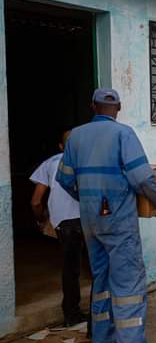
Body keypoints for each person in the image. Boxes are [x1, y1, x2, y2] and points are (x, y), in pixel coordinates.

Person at [56, 88, 156, 343]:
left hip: (90, 220)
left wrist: (86, 200)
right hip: (117, 218)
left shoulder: (76, 136)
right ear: (118, 107)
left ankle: (102, 339)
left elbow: (64, 179)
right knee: (128, 283)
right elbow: (143, 178)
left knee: (102, 278)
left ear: (92, 106)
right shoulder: (124, 134)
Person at [30, 130, 89, 328]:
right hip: (90, 219)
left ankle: (72, 315)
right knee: (97, 266)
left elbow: (36, 201)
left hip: (64, 222)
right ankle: (101, 312)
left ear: (61, 147)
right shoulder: (89, 161)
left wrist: (41, 220)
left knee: (70, 270)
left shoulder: (50, 163)